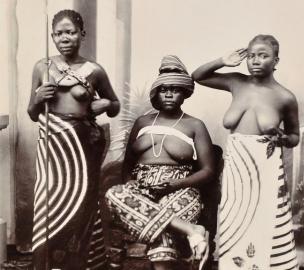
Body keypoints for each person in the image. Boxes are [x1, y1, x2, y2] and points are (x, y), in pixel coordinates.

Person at [192, 35, 300, 270]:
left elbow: (295, 137)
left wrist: (282, 138)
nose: (255, 61)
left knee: (265, 223)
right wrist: (223, 60)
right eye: (251, 56)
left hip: (266, 168)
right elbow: (197, 76)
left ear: (276, 60)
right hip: (236, 169)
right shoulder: (236, 82)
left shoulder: (285, 97)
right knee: (235, 222)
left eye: (263, 55)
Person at [27, 9, 120, 270]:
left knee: (84, 200)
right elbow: (32, 114)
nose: (64, 38)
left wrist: (104, 105)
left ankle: (78, 264)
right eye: (58, 33)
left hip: (83, 145)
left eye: (70, 32)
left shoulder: (94, 70)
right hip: (53, 145)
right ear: (52, 37)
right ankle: (46, 263)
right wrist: (38, 98)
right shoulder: (42, 66)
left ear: (82, 34)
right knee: (49, 199)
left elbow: (114, 105)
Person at [105, 55, 214, 270]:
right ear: (157, 92)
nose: (169, 94)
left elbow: (209, 170)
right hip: (142, 189)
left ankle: (174, 245)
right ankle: (192, 230)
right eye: (164, 89)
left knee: (162, 226)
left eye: (175, 89)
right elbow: (128, 164)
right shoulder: (142, 122)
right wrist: (130, 183)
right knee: (114, 194)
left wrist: (175, 185)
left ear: (184, 93)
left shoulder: (194, 125)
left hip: (181, 189)